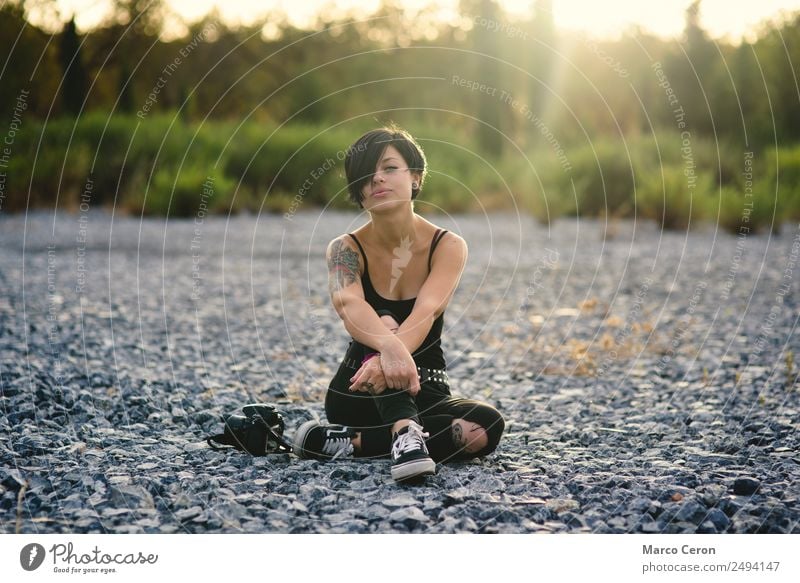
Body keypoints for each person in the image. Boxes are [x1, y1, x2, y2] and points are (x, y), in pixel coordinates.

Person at [293, 125, 505, 483]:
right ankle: (406, 434)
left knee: (485, 428)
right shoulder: (344, 249)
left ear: (416, 177)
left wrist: (390, 355)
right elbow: (348, 305)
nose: (376, 178)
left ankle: (347, 442)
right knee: (386, 323)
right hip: (357, 388)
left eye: (390, 168)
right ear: (358, 192)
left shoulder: (448, 245)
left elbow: (428, 310)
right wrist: (388, 346)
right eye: (365, 174)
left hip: (429, 392)